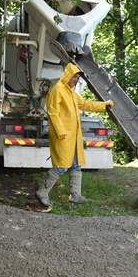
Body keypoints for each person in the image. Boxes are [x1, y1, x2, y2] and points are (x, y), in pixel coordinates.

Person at [36, 63, 114, 212]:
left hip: (73, 137)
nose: (77, 79)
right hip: (63, 136)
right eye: (75, 76)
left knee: (76, 164)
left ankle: (75, 195)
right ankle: (42, 191)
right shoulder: (57, 89)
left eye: (78, 77)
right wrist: (60, 132)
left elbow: (85, 104)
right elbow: (52, 112)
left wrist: (104, 105)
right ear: (68, 75)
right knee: (61, 166)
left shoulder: (70, 92)